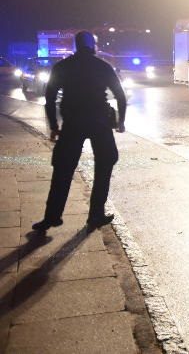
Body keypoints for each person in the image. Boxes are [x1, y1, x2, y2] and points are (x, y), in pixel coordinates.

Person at [32, 31, 126, 233]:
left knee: (62, 170)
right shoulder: (103, 66)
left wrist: (54, 127)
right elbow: (120, 96)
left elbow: (49, 98)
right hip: (99, 122)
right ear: (94, 46)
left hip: (73, 123)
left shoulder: (63, 67)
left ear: (75, 45)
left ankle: (51, 217)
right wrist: (121, 122)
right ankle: (96, 214)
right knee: (105, 163)